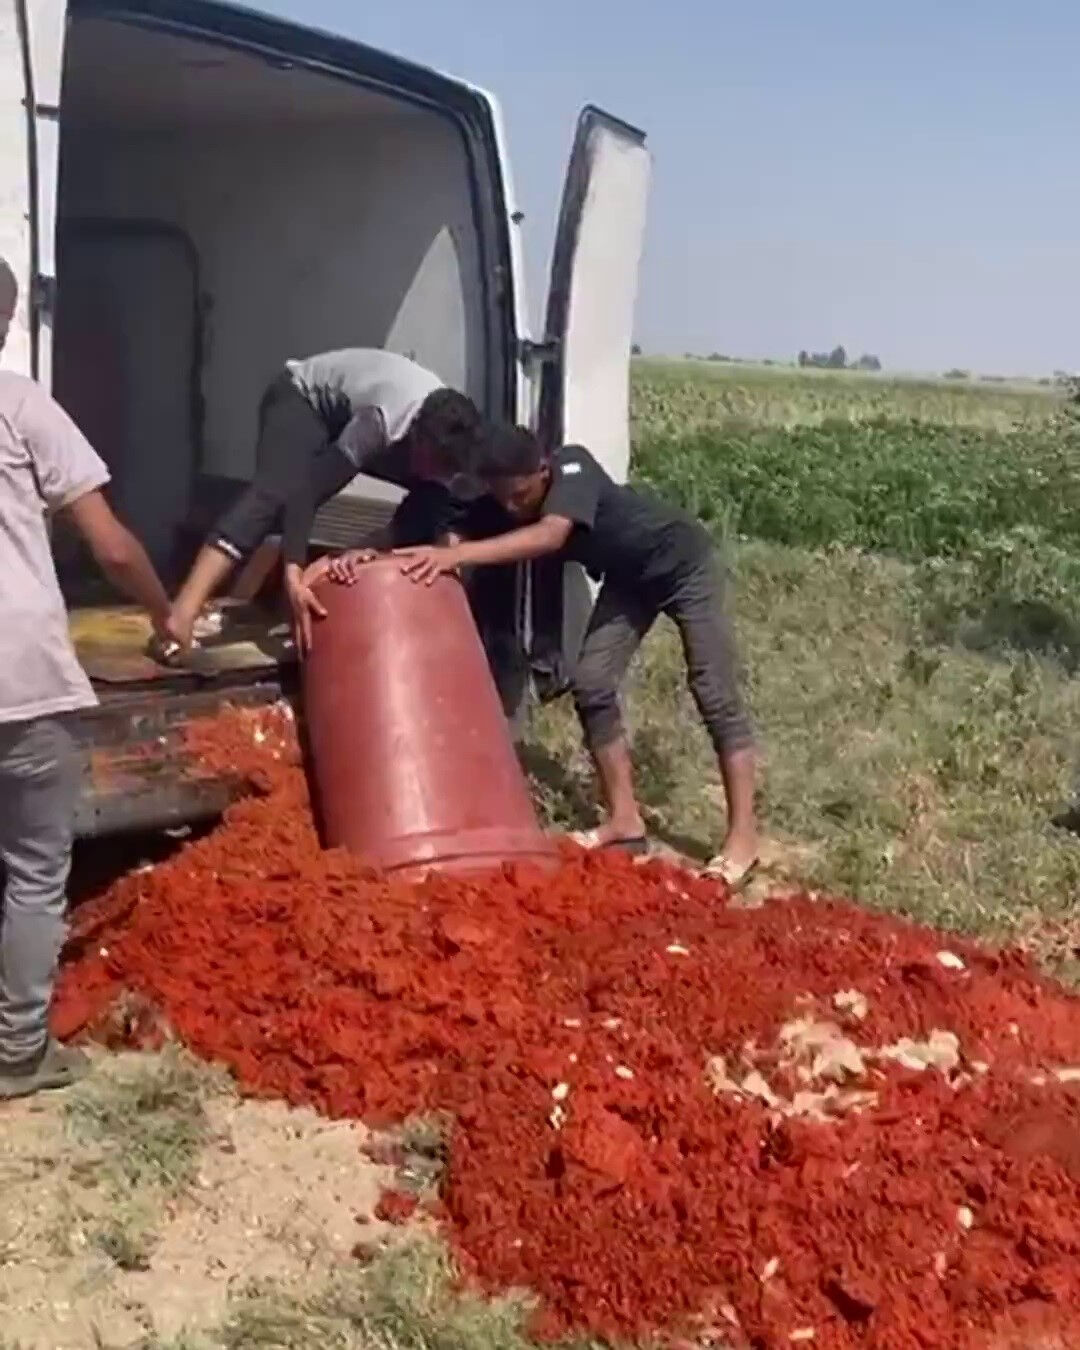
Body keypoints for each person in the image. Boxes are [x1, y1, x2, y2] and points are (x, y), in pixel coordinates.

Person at [332, 426, 759, 884]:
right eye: (503, 498)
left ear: (542, 471)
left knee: (712, 688)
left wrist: (463, 556)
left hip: (683, 563)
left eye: (521, 495)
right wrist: (359, 555)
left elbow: (552, 535)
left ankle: (743, 839)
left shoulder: (574, 466)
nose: (513, 507)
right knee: (592, 681)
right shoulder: (500, 503)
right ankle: (624, 820)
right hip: (629, 579)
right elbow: (439, 547)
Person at [0, 259, 175, 1098]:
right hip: (23, 677)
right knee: (34, 872)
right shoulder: (23, 405)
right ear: (7, 321)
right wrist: (164, 612)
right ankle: (18, 1053)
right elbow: (109, 543)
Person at [161, 349, 483, 658]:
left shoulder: (460, 443)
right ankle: (183, 613)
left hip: (361, 421)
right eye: (428, 461)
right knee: (275, 494)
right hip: (301, 398)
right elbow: (306, 492)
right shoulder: (379, 422)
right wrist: (293, 571)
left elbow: (433, 519)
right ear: (416, 435)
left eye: (442, 466)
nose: (431, 471)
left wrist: (355, 557)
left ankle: (248, 606)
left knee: (431, 506)